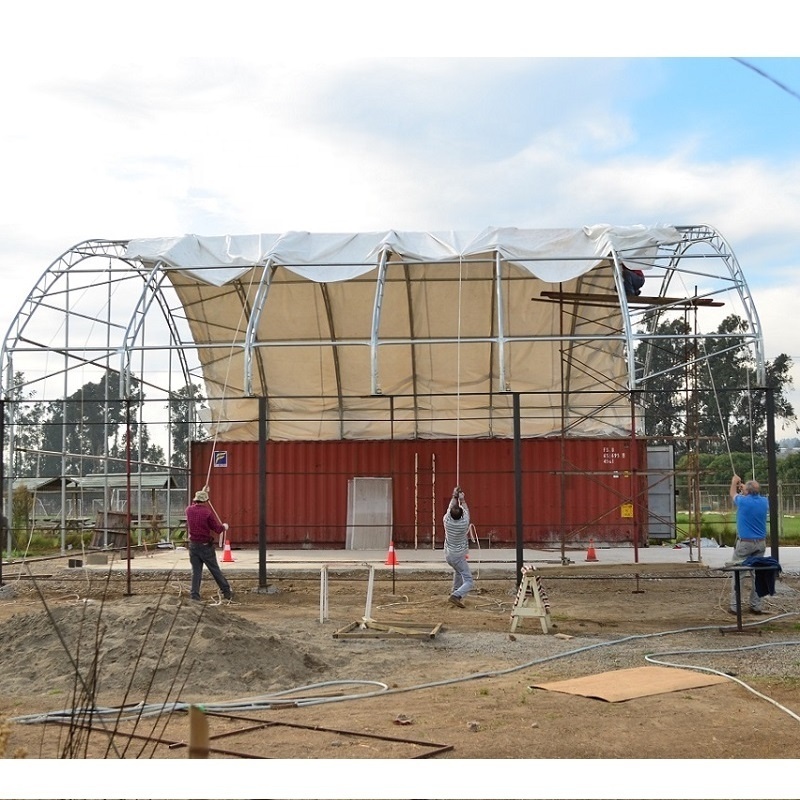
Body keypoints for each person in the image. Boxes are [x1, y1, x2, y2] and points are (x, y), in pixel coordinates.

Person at [728, 474, 768, 614]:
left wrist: (734, 482)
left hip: (745, 544)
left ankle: (735, 606)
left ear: (748, 492)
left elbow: (732, 493)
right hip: (760, 544)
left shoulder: (743, 502)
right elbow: (750, 494)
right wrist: (746, 488)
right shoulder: (764, 502)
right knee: (757, 575)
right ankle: (756, 605)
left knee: (738, 574)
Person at [185, 488, 234, 602]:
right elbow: (217, 529)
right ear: (206, 500)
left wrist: (202, 492)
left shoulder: (188, 510)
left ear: (195, 500)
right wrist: (224, 527)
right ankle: (226, 591)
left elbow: (194, 505)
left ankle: (195, 596)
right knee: (214, 569)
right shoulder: (207, 512)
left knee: (196, 571)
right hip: (205, 545)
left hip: (193, 546)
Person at [443, 486, 473, 608]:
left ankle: (455, 591)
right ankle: (456, 596)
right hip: (459, 556)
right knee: (469, 580)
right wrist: (463, 499)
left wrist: (454, 496)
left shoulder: (446, 521)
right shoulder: (464, 523)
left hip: (449, 554)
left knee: (458, 572)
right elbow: (466, 511)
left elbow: (450, 508)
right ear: (461, 516)